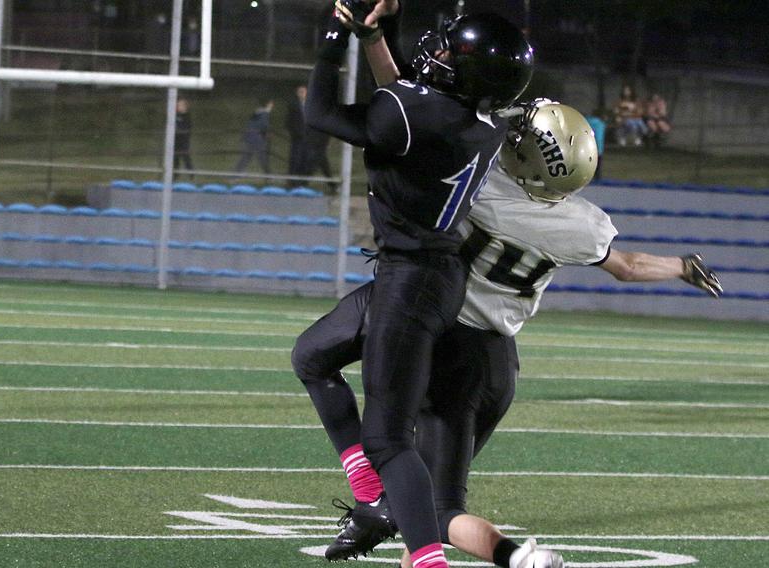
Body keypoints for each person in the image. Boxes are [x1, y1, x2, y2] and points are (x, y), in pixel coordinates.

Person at [293, 99, 723, 568]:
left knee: (315, 361)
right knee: (437, 513)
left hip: (420, 311)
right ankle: (518, 558)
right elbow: (628, 266)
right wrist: (682, 266)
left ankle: (373, 493)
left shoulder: (484, 187)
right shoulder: (583, 224)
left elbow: (428, 138)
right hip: (490, 362)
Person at [303, 2, 534, 567]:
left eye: (453, 51)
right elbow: (408, 92)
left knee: (388, 440)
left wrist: (336, 34)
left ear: (469, 73)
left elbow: (320, 113)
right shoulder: (481, 123)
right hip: (425, 274)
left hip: (411, 284)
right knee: (311, 354)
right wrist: (381, 32)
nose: (441, 52)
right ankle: (364, 484)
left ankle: (426, 558)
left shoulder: (416, 114)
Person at [234, 97, 274, 174]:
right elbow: (264, 125)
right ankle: (269, 175)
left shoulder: (258, 112)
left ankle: (234, 176)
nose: (272, 105)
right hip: (256, 137)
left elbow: (252, 123)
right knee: (262, 157)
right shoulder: (264, 113)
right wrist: (268, 133)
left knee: (247, 157)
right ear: (268, 104)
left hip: (249, 136)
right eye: (271, 103)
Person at [286, 85, 310, 184]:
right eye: (300, 92)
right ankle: (292, 179)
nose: (302, 94)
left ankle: (303, 180)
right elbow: (289, 121)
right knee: (295, 158)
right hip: (297, 136)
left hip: (308, 137)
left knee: (305, 158)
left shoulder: (310, 105)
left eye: (303, 92)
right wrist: (293, 132)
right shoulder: (293, 105)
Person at [174, 98, 194, 173]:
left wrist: (179, 130)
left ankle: (191, 173)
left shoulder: (187, 116)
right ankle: (174, 174)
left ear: (185, 107)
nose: (178, 106)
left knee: (186, 157)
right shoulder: (176, 115)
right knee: (175, 158)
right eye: (178, 105)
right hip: (176, 140)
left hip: (183, 141)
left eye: (180, 105)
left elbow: (186, 128)